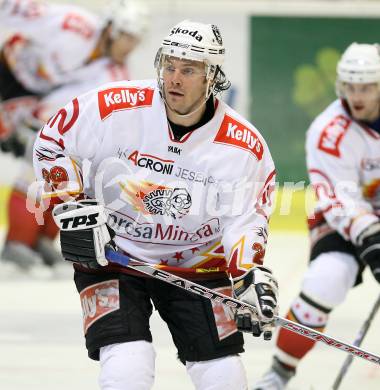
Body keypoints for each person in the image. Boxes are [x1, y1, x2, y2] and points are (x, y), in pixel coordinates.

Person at [33, 20, 279, 389]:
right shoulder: (112, 106)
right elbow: (52, 141)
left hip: (198, 264)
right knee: (127, 366)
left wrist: (247, 275)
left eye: (189, 69)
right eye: (169, 65)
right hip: (111, 255)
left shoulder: (242, 146)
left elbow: (245, 217)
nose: (174, 78)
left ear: (212, 75)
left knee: (222, 374)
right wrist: (73, 208)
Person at [252, 42, 380, 390]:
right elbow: (339, 197)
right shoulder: (328, 130)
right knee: (326, 280)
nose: (357, 95)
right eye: (351, 86)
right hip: (343, 221)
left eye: (366, 87)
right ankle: (279, 373)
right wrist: (371, 238)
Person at [0, 0, 149, 271]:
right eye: (127, 36)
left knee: (50, 160)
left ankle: (36, 240)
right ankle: (16, 242)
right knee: (31, 158)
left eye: (135, 40)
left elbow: (80, 105)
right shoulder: (72, 26)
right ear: (111, 29)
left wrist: (39, 122)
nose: (130, 46)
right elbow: (14, 8)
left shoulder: (113, 72)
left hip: (34, 95)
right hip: (8, 70)